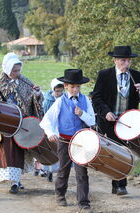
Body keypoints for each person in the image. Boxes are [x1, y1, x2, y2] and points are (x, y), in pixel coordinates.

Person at [92, 45, 140, 196]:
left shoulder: (136, 76)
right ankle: (117, 183)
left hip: (129, 122)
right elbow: (96, 98)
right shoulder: (104, 75)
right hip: (110, 122)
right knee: (116, 153)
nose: (127, 64)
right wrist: (106, 113)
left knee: (125, 152)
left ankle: (120, 184)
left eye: (129, 61)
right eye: (123, 60)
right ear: (115, 60)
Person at [40, 69, 95, 213]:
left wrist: (82, 114)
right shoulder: (59, 102)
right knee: (63, 170)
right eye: (72, 87)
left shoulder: (86, 100)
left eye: (78, 86)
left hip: (81, 141)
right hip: (64, 141)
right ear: (65, 86)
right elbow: (46, 121)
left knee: (81, 172)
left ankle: (83, 202)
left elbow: (92, 120)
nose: (75, 89)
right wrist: (51, 133)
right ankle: (60, 194)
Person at [0, 52, 43, 194]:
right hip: (3, 124)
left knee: (17, 153)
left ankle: (16, 182)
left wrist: (36, 94)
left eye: (18, 70)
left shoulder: (24, 82)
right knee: (4, 152)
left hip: (19, 124)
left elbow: (32, 99)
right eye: (14, 70)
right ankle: (8, 179)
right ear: (7, 69)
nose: (17, 73)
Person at [40, 78, 64, 182]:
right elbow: (45, 114)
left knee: (58, 149)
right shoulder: (48, 101)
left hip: (59, 127)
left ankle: (58, 171)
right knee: (49, 149)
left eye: (60, 91)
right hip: (50, 127)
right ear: (53, 90)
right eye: (57, 91)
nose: (59, 93)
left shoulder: (64, 99)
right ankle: (47, 171)